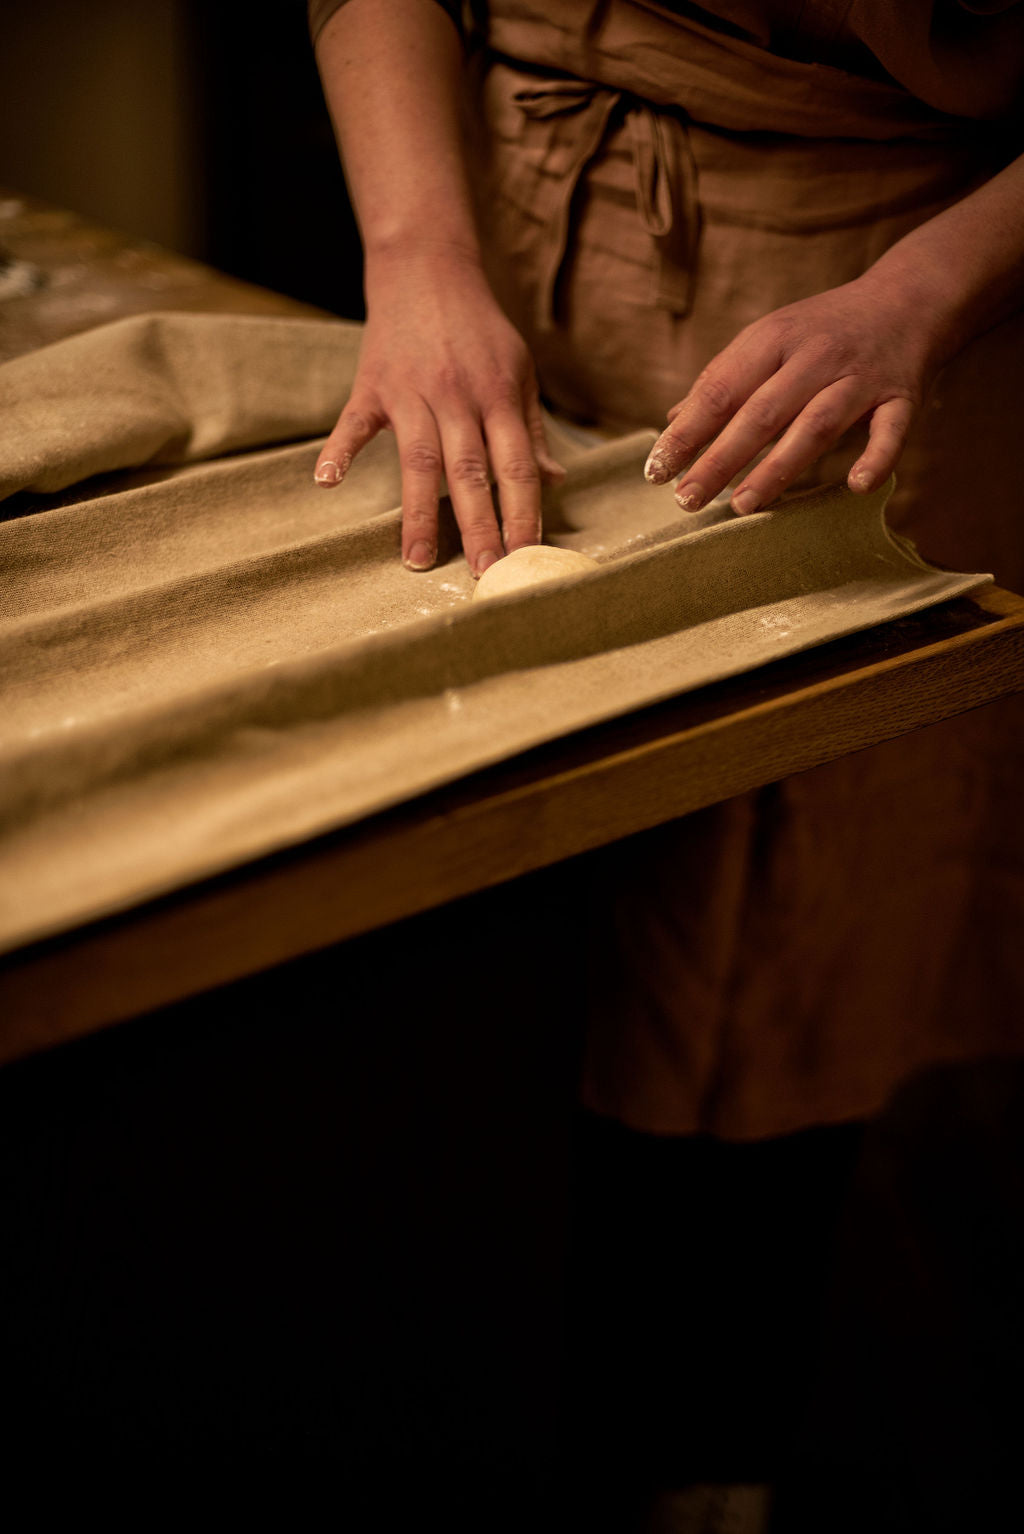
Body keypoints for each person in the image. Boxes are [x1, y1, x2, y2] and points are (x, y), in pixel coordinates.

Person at [308, 0, 1024, 1517]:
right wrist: (418, 249)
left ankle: (700, 1462)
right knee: (460, 924)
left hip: (859, 302)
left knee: (752, 976)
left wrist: (920, 292)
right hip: (481, 229)